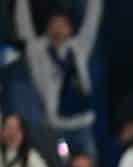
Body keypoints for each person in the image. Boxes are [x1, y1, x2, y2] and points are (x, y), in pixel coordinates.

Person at [14, 0, 103, 156]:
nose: (58, 29)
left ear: (70, 29)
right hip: (58, 127)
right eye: (54, 24)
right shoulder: (38, 53)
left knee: (89, 166)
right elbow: (24, 27)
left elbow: (92, 20)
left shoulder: (79, 48)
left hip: (83, 125)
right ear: (48, 28)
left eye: (62, 25)